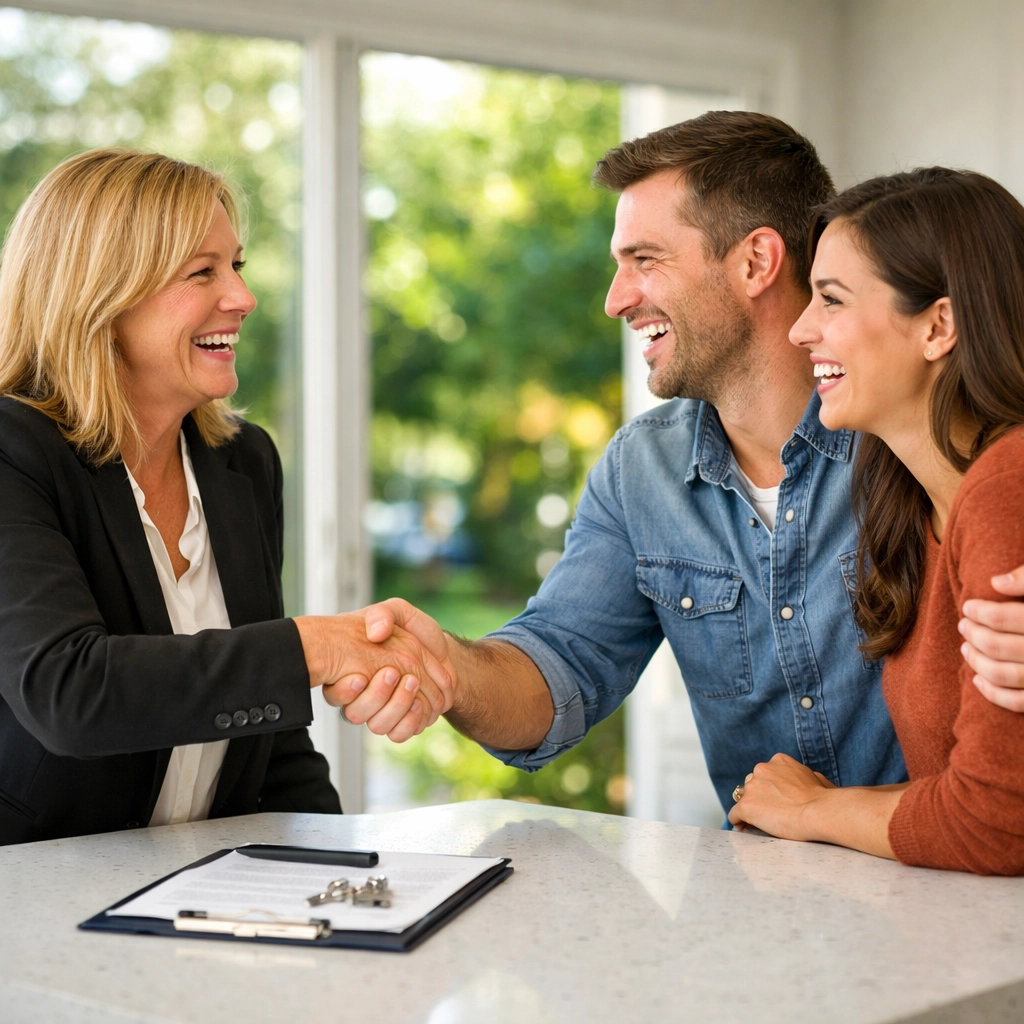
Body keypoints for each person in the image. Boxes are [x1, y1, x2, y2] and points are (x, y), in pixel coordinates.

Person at [327, 112, 1024, 817]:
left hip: (952, 867)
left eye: (645, 259)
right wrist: (448, 667)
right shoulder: (643, 470)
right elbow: (561, 665)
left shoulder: (910, 432)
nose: (616, 300)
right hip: (768, 878)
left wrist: (822, 814)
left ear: (755, 262)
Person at [0, 148, 451, 845]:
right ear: (103, 298)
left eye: (236, 265)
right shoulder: (14, 453)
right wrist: (312, 646)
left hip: (203, 882)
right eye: (202, 272)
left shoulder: (243, 460)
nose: (243, 297)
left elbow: (273, 739)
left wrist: (346, 869)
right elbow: (70, 691)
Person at [727, 169, 1024, 874]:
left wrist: (813, 811)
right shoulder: (914, 502)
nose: (800, 329)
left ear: (938, 326)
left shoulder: (1005, 489)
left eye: (831, 299)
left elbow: (995, 824)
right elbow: (973, 791)